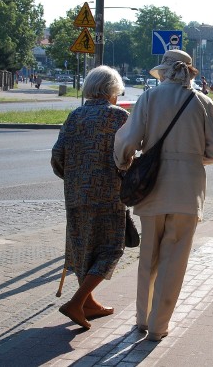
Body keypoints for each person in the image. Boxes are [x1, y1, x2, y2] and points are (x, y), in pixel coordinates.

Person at [113, 49, 213, 341]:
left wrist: (124, 162)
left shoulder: (149, 98)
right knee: (174, 259)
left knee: (148, 255)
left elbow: (128, 139)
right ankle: (159, 326)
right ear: (188, 72)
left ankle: (141, 319)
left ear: (163, 71)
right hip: (188, 190)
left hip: (152, 186)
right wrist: (189, 157)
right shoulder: (203, 102)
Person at [51, 66, 129, 330]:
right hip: (109, 195)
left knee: (83, 248)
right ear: (111, 91)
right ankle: (76, 302)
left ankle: (90, 304)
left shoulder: (75, 116)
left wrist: (74, 180)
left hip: (75, 195)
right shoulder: (119, 118)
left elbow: (57, 156)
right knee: (111, 249)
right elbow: (127, 156)